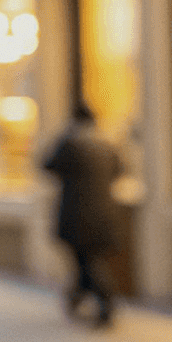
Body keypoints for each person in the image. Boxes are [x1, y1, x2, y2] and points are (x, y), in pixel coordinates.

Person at [39, 101, 123, 326]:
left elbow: (46, 165)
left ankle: (99, 302)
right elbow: (120, 171)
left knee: (85, 262)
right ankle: (79, 296)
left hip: (76, 216)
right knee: (87, 261)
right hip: (104, 215)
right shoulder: (107, 145)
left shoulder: (71, 145)